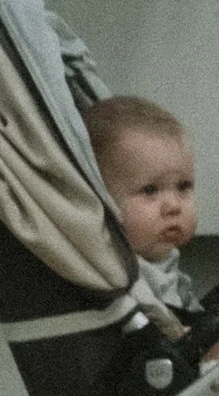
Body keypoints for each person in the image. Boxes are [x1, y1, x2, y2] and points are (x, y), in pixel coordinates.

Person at [85, 92, 201, 308]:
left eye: (183, 186)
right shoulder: (119, 277)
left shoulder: (160, 258)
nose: (173, 206)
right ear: (102, 198)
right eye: (150, 190)